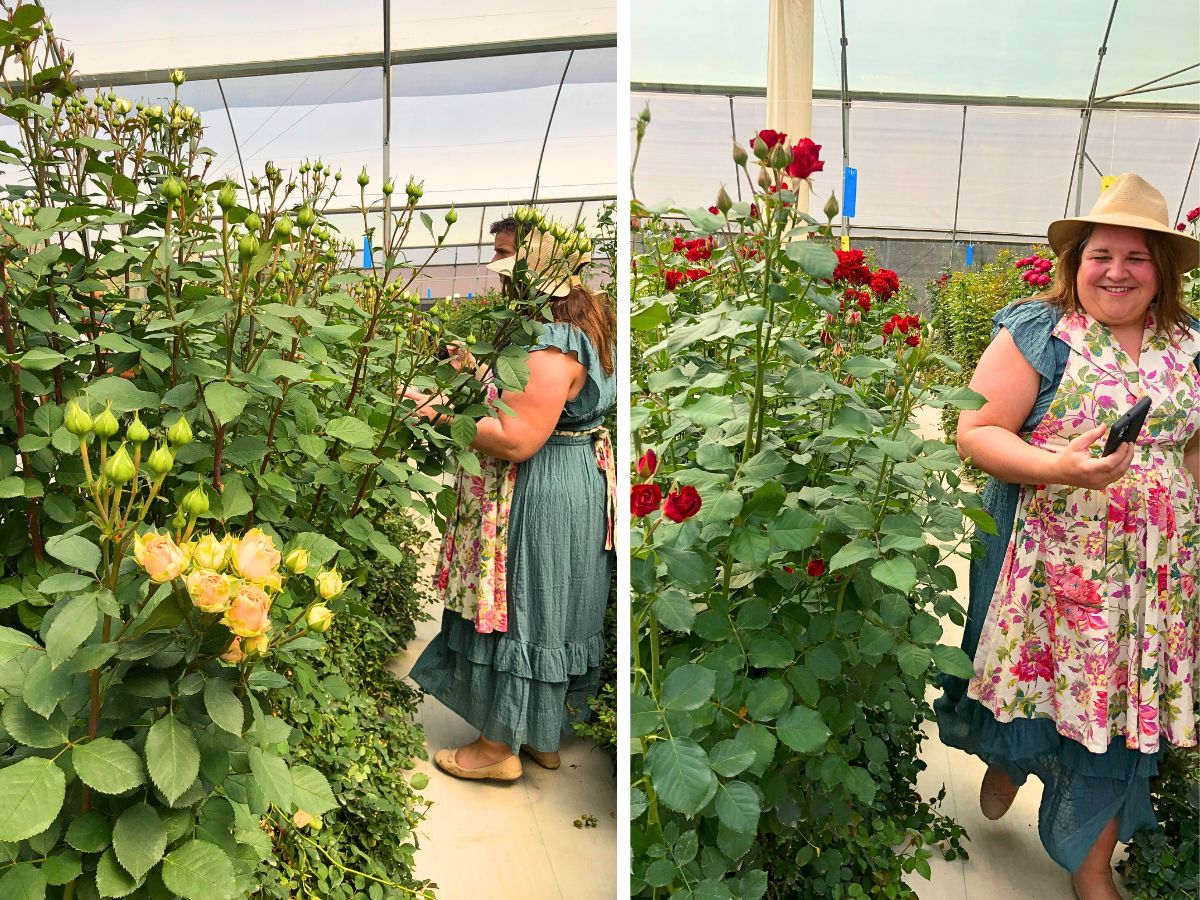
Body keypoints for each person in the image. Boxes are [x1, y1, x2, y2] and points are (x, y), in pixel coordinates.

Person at [935, 173, 1199, 899]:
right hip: (1048, 559)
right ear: (1075, 264)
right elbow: (977, 431)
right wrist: (1062, 467)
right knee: (1027, 678)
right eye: (1100, 256)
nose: (1116, 271)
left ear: (1163, 270)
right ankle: (1010, 755)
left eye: (1136, 258)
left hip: (1153, 574)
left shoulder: (1190, 347)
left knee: (1117, 706)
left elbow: (1192, 449)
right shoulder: (1039, 333)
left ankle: (1090, 864)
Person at [405, 213, 616, 781]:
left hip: (542, 489)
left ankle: (498, 748)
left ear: (542, 264)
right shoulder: (580, 327)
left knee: (524, 609)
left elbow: (519, 438)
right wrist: (480, 374)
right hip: (573, 480)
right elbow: (539, 405)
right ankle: (542, 736)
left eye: (507, 255)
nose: (498, 269)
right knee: (557, 609)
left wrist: (437, 413)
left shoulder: (553, 347)